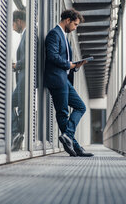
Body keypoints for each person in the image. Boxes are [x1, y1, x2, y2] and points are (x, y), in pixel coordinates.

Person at [44, 9, 94, 157]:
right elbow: (52, 56)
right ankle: (76, 146)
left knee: (80, 106)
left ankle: (69, 138)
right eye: (75, 24)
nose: (75, 28)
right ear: (67, 20)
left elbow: (65, 61)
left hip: (64, 80)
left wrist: (76, 66)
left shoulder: (64, 36)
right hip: (57, 79)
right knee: (63, 113)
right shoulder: (54, 34)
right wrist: (69, 64)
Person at [11, 10, 26, 151]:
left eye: (13, 24)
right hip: (23, 79)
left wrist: (17, 65)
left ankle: (16, 134)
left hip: (24, 80)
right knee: (20, 109)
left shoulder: (28, 35)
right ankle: (17, 136)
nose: (12, 27)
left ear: (18, 21)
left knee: (9, 104)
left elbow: (30, 57)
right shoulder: (26, 35)